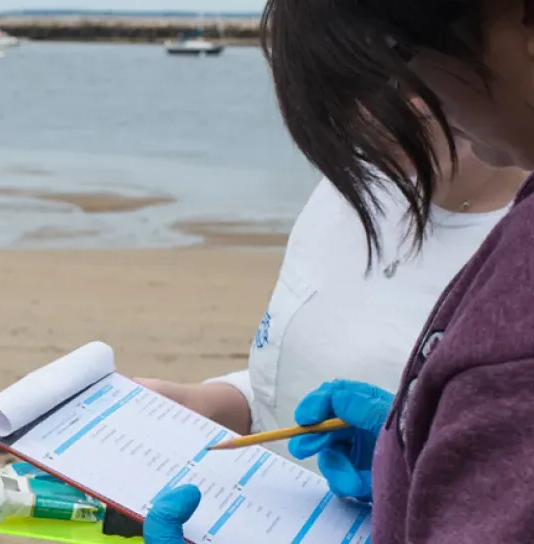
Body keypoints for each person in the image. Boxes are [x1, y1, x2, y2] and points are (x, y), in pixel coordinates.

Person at [143, 0, 534, 540]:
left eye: (398, 67)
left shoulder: (516, 274)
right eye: (340, 92)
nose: (368, 118)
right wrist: (199, 404)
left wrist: (410, 459)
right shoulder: (354, 191)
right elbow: (280, 382)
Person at [137, 136, 527, 462]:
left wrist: (404, 479)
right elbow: (280, 389)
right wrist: (197, 405)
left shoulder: (514, 251)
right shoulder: (352, 182)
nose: (361, 113)